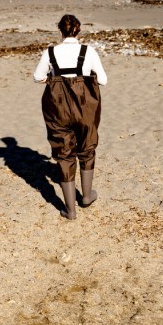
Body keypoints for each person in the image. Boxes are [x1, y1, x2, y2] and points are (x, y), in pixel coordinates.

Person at [33, 14, 108, 220]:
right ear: (78, 31)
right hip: (85, 107)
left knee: (64, 153)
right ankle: (86, 196)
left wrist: (54, 78)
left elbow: (37, 77)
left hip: (58, 107)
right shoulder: (88, 51)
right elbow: (103, 80)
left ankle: (70, 210)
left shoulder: (50, 52)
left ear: (60, 31)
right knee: (87, 147)